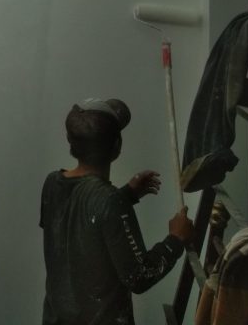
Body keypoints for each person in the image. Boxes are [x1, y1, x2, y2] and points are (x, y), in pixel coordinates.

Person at [40, 98, 193, 325]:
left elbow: (81, 227)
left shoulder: (52, 183)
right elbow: (140, 276)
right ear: (116, 147)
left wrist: (127, 194)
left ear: (70, 143)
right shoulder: (110, 201)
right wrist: (175, 240)